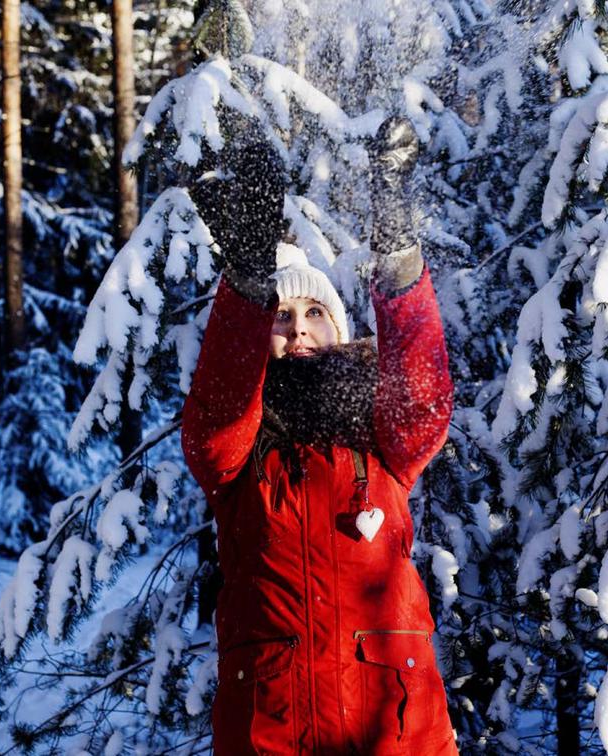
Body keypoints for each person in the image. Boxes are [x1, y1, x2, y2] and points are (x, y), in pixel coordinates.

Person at [182, 119, 457, 755]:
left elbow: (422, 397)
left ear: (339, 329)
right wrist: (248, 281)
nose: (298, 329)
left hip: (397, 737)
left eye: (314, 314)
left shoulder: (381, 441)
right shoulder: (238, 455)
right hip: (275, 735)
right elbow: (220, 413)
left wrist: (398, 259)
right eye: (279, 316)